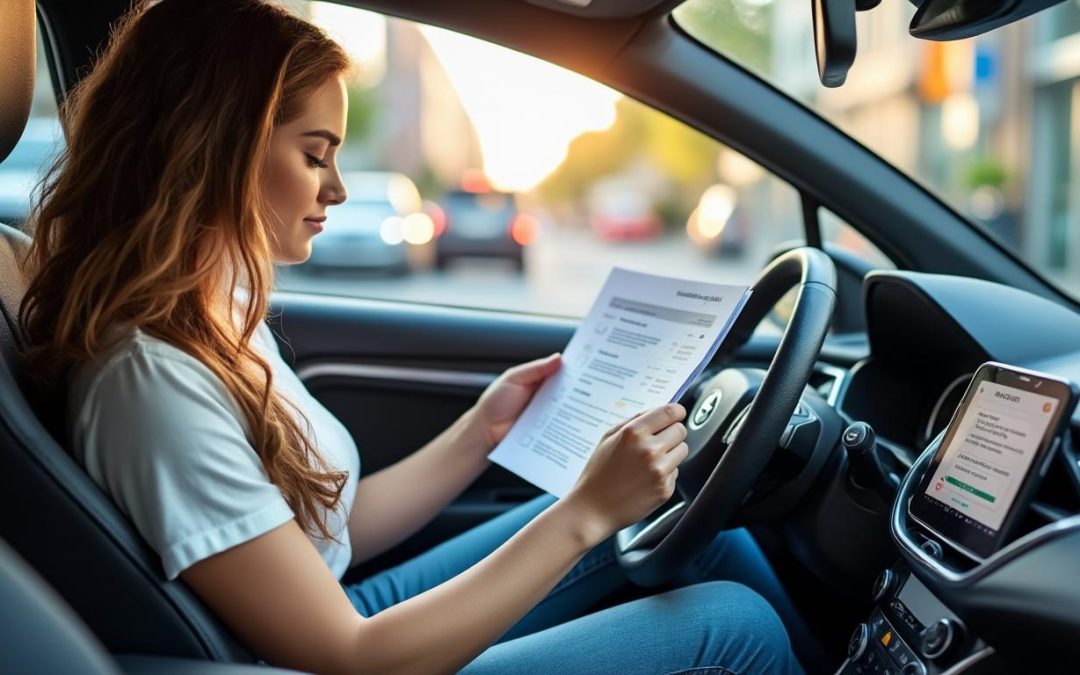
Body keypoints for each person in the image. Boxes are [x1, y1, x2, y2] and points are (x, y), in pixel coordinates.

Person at [18, 1, 812, 672]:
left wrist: (482, 429)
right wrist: (585, 511)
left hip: (345, 606)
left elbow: (333, 534)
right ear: (216, 148)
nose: (336, 187)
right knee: (734, 626)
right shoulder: (149, 379)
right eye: (314, 154)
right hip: (345, 652)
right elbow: (353, 652)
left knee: (681, 530)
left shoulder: (209, 317)